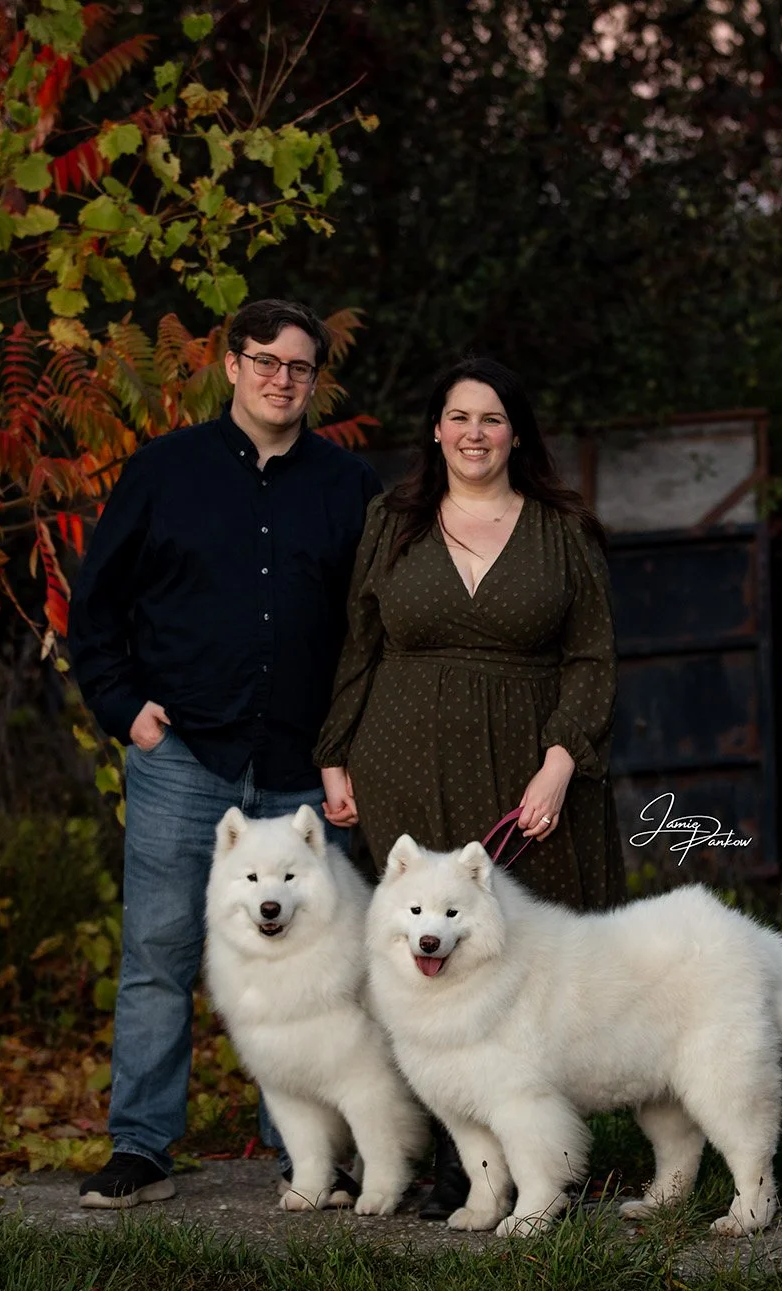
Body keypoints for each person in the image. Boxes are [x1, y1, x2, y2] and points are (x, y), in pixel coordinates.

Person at [67, 299, 383, 1209]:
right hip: (185, 757)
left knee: (320, 969)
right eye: (266, 362)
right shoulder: (166, 471)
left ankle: (309, 1157)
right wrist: (127, 711)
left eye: (301, 368)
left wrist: (355, 742)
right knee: (160, 952)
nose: (283, 380)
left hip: (306, 769)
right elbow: (98, 607)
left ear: (316, 380)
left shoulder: (348, 485)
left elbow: (374, 627)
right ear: (232, 365)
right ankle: (142, 1147)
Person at [314, 357, 627, 1217]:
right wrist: (335, 754)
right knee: (427, 964)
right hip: (404, 762)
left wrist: (561, 763)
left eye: (491, 419)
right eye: (458, 418)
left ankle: (553, 1153)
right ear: (437, 431)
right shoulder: (394, 520)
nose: (474, 434)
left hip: (532, 774)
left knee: (531, 966)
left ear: (516, 433)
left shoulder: (563, 529)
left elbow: (593, 658)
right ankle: (463, 1168)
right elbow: (359, 644)